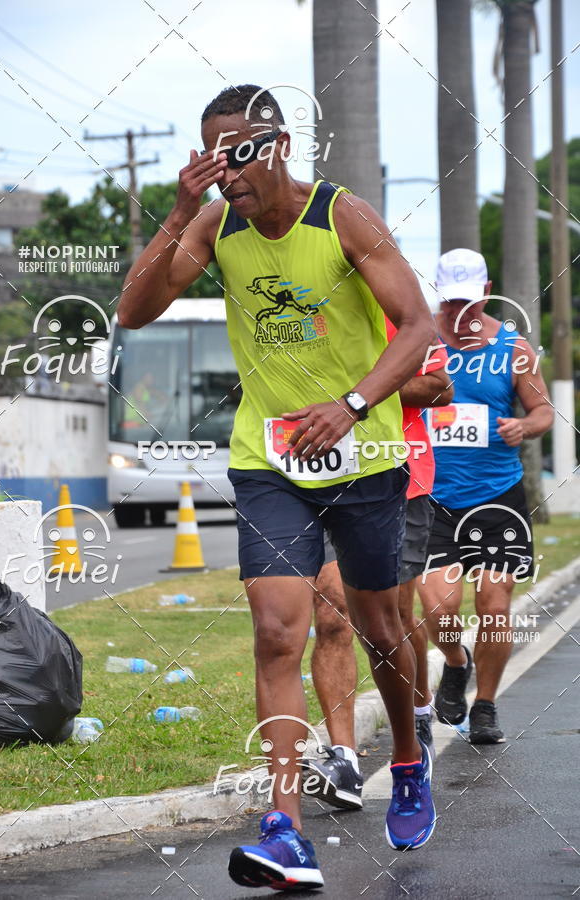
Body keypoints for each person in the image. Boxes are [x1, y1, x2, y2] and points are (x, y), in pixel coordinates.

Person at [117, 84, 437, 892]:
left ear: (281, 144)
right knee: (275, 631)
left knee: (378, 625)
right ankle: (286, 829)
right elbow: (133, 310)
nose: (230, 170)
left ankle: (405, 756)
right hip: (270, 459)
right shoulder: (214, 223)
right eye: (216, 155)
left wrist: (356, 402)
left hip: (363, 454)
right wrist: (174, 213)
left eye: (243, 150)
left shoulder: (342, 217)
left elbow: (421, 326)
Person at [301, 322, 452, 811]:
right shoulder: (302, 303)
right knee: (331, 613)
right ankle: (343, 759)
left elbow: (437, 387)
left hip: (397, 478)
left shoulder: (396, 303)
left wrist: (358, 393)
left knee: (392, 622)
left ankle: (419, 711)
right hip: (317, 473)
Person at [417, 248, 553, 745]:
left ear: (487, 290)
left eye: (470, 303)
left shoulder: (515, 348)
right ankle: (456, 661)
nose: (460, 313)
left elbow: (543, 411)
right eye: (451, 302)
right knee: (439, 609)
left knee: (494, 608)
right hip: (431, 495)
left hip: (498, 496)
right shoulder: (419, 337)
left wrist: (524, 425)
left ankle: (486, 706)